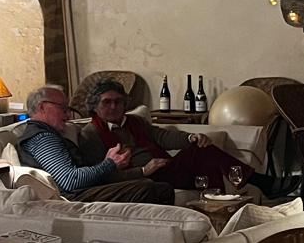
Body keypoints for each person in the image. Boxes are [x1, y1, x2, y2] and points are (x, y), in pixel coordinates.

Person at [76, 79, 275, 195]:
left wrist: (190, 138)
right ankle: (259, 182)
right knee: (202, 156)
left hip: (165, 169)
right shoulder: (91, 133)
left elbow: (163, 136)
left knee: (202, 151)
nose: (113, 107)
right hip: (143, 181)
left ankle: (217, 208)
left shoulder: (135, 121)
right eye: (107, 102)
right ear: (95, 106)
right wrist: (143, 170)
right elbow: (102, 175)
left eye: (118, 102)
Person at [16, 85, 175, 203]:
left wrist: (108, 165)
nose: (68, 115)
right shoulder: (42, 137)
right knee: (154, 189)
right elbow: (70, 180)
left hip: (84, 190)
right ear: (42, 107)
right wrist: (109, 164)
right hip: (74, 197)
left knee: (151, 185)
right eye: (63, 108)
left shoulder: (47, 134)